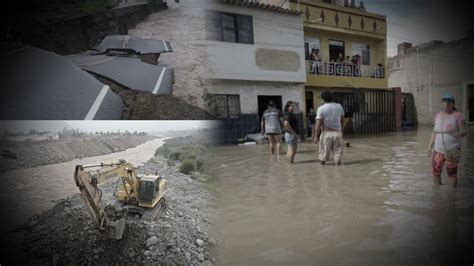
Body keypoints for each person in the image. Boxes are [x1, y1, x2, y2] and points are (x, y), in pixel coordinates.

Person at [427, 93, 467, 188]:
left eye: (449, 102)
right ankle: (437, 193)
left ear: (453, 104)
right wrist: (429, 146)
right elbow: (434, 132)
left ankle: (452, 196)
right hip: (438, 151)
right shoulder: (438, 116)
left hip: (452, 150)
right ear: (442, 103)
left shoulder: (458, 116)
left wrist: (458, 133)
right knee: (436, 172)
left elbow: (464, 131)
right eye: (445, 101)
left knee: (452, 174)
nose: (447, 104)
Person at [313, 91, 345, 165]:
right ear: (332, 97)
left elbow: (318, 123)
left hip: (326, 134)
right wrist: (341, 131)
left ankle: (322, 173)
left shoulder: (321, 108)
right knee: (337, 155)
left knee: (323, 156)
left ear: (323, 99)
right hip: (338, 133)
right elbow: (342, 120)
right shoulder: (339, 106)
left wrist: (315, 136)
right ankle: (338, 172)